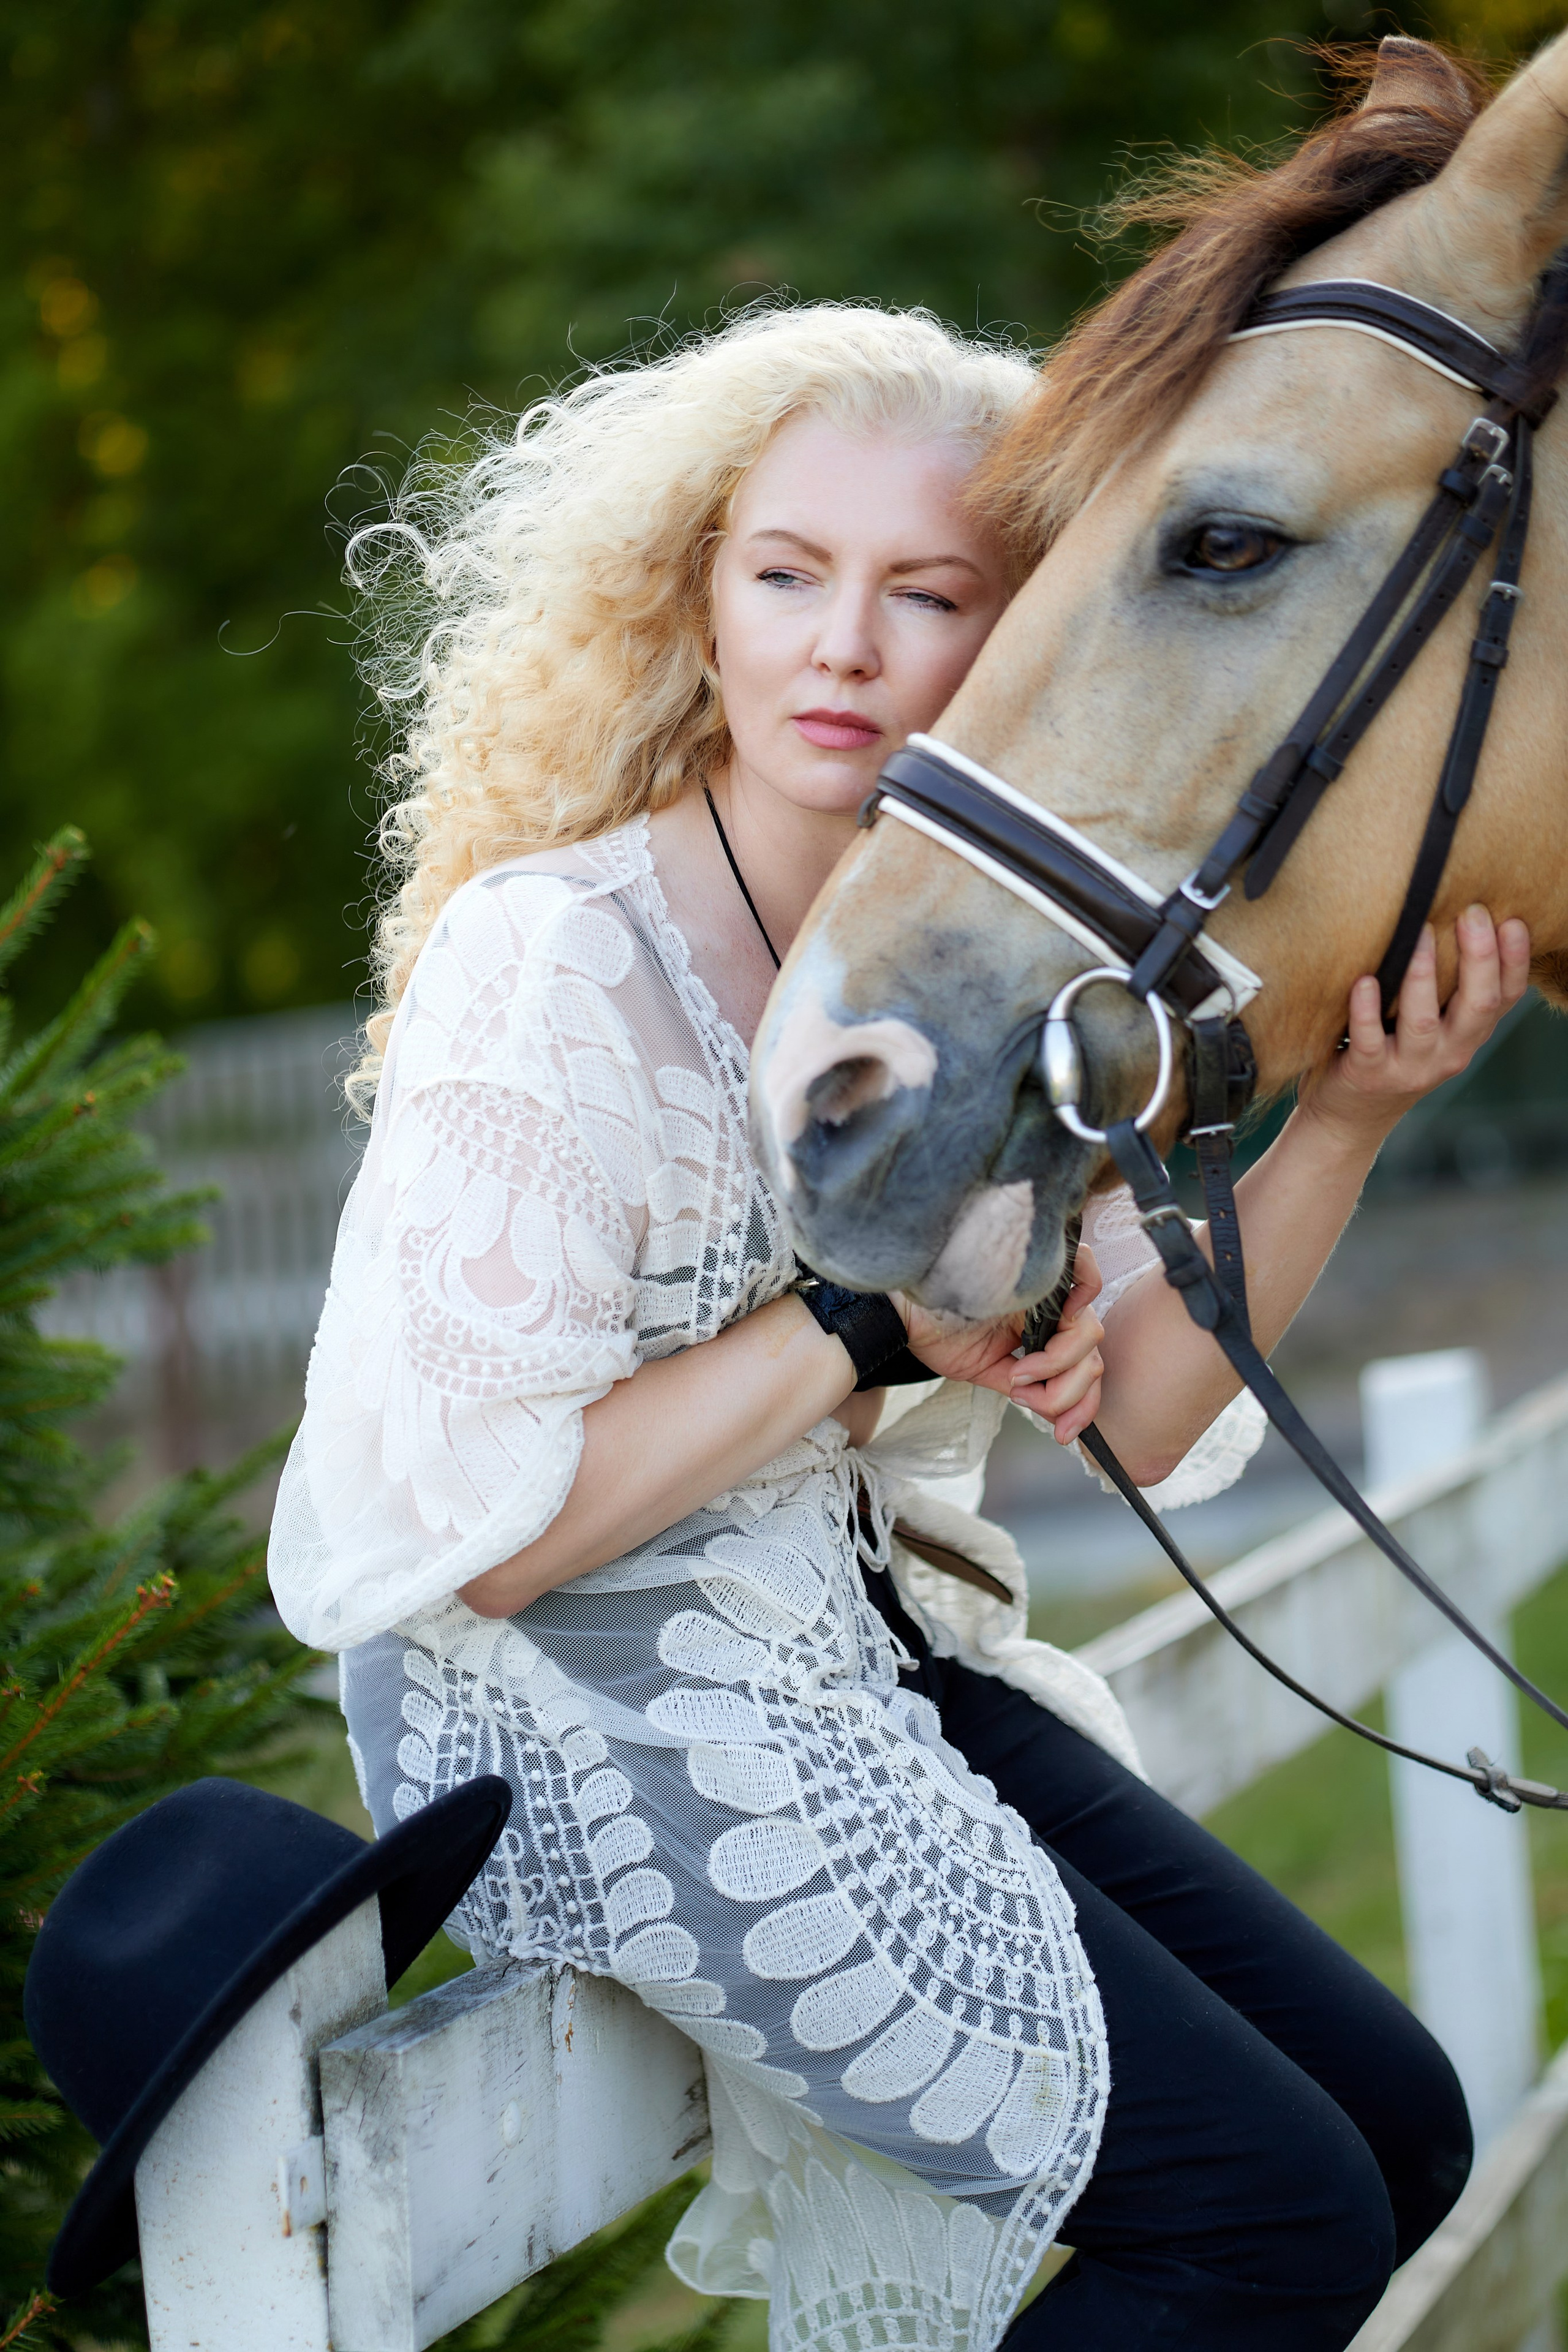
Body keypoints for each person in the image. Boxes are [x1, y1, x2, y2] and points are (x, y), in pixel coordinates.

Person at [269, 303, 1528, 2352]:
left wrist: (1353, 1116)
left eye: (926, 593)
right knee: (1265, 2218)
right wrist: (860, 1331)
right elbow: (486, 1537)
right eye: (788, 576)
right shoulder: (547, 970)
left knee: (1397, 2132)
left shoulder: (969, 963)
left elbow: (1140, 1407)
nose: (842, 645)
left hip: (860, 1646)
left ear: (1021, 638)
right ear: (701, 602)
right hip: (571, 1705)